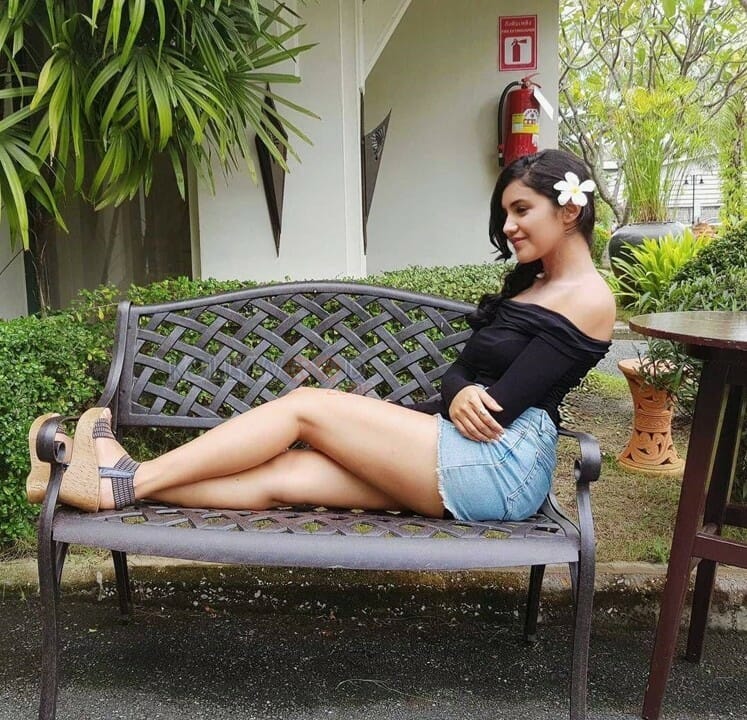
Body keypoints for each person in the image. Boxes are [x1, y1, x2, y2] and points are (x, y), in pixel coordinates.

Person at [28, 148, 616, 521]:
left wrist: (457, 398)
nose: (508, 226)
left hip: (502, 464)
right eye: (505, 214)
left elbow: (500, 409)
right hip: (466, 451)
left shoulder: (589, 298)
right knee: (286, 476)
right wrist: (459, 389)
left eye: (521, 210)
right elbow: (461, 375)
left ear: (568, 211)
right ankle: (115, 487)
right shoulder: (536, 286)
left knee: (307, 406)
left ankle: (122, 474)